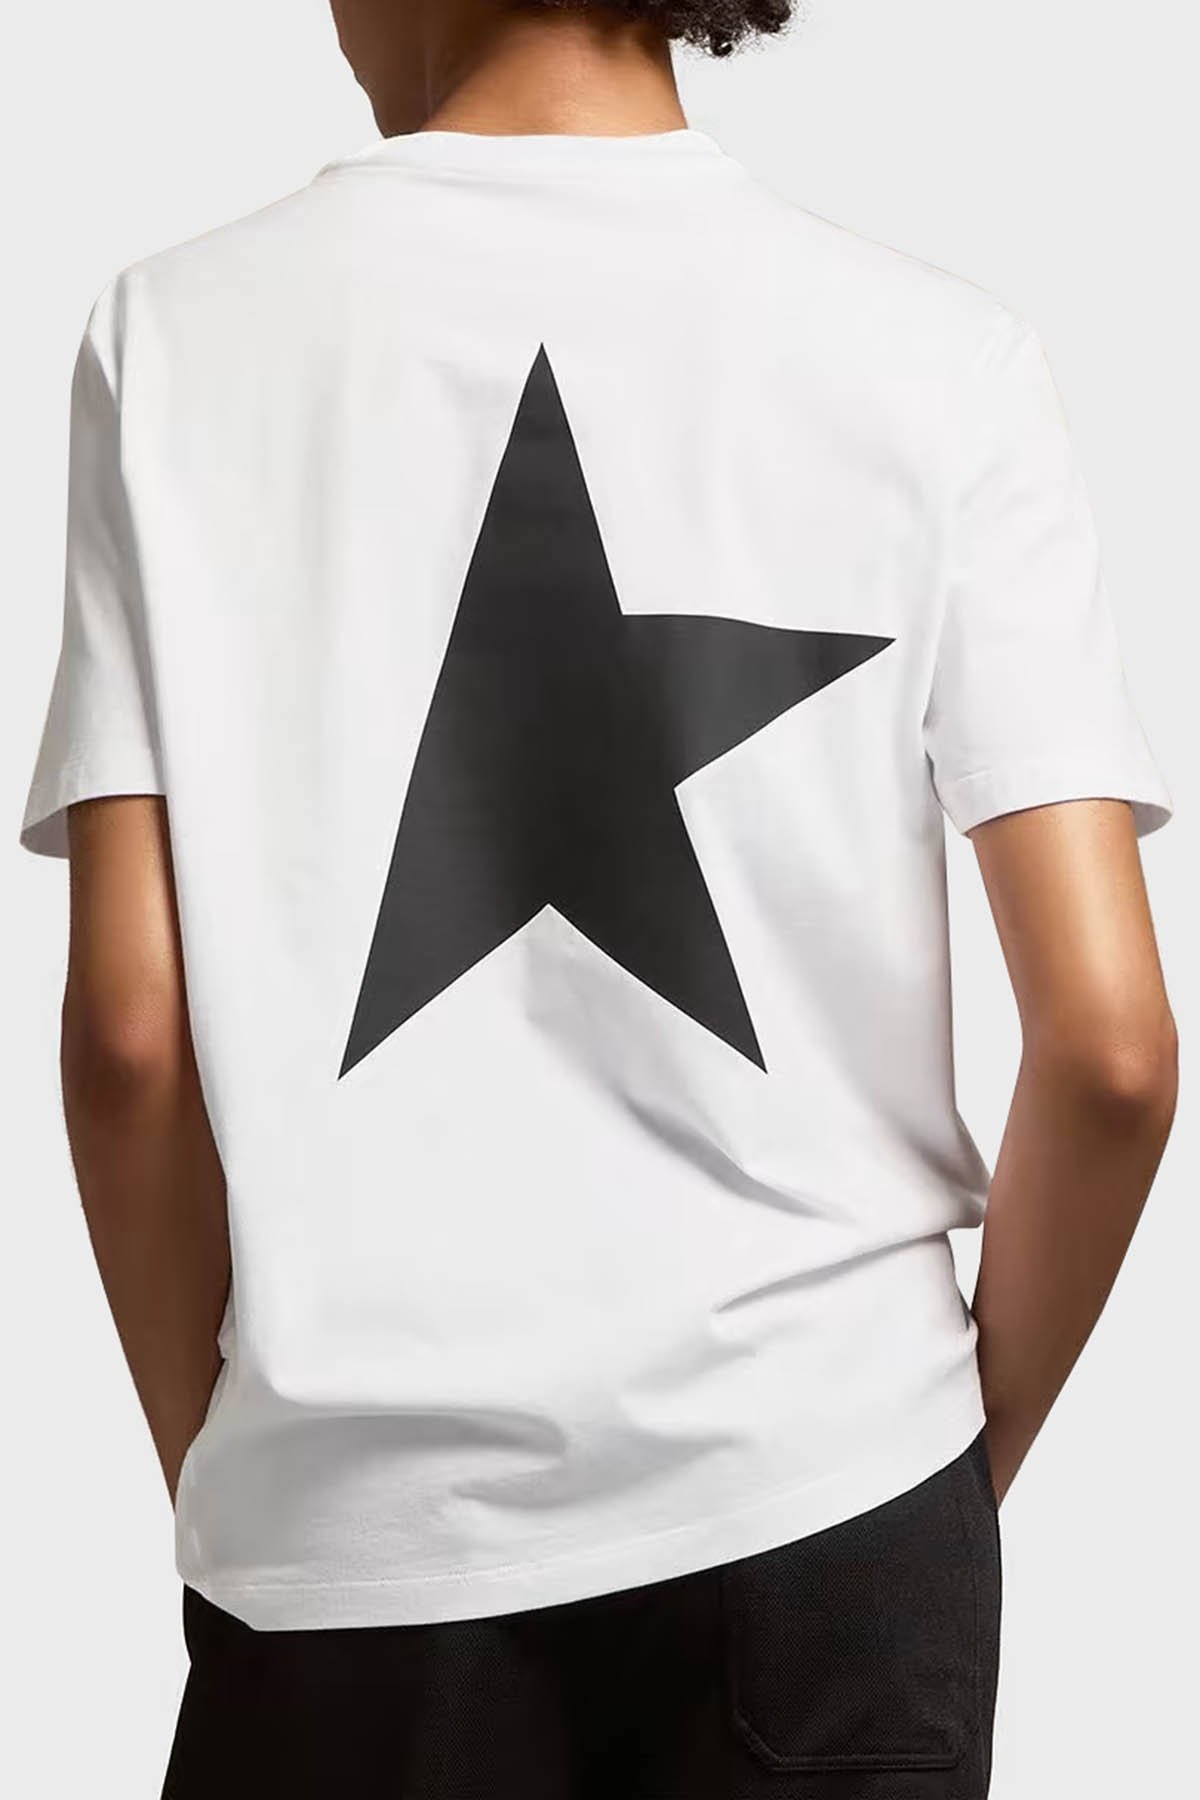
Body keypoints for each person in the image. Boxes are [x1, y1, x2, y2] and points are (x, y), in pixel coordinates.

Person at [20, 2, 1177, 1796]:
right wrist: (937, 1472)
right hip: (832, 1503)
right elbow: (1110, 1051)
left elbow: (126, 1041)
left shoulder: (168, 338)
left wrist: (243, 1484)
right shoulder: (939, 358)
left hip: (353, 1546)